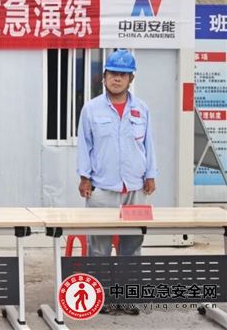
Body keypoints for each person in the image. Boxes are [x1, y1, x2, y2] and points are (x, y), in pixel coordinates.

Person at [76, 49, 157, 316]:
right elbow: (84, 146)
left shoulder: (141, 109)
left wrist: (150, 174)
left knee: (132, 245)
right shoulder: (91, 109)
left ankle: (127, 296)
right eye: (113, 73)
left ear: (131, 78)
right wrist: (84, 177)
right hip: (102, 188)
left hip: (136, 188)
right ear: (104, 77)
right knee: (98, 247)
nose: (117, 79)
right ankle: (102, 297)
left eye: (123, 74)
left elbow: (148, 144)